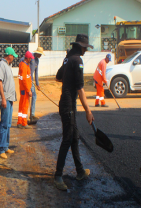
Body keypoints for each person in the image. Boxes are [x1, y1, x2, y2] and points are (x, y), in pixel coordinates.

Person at [54, 34, 94, 191]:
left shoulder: (68, 59)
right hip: (68, 105)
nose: (86, 50)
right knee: (67, 139)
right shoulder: (77, 61)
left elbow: (58, 77)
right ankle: (58, 176)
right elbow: (81, 89)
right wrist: (88, 111)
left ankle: (80, 171)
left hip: (67, 104)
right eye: (85, 48)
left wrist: (67, 80)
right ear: (81, 47)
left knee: (75, 137)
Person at [0, 47, 18, 159]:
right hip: (5, 99)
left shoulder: (8, 66)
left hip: (10, 98)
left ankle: (5, 146)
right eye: (13, 55)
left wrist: (11, 99)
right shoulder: (1, 65)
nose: (14, 57)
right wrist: (3, 98)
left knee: (8, 124)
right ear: (8, 55)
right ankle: (1, 149)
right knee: (4, 124)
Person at [17, 51, 34, 129]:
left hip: (22, 88)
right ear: (28, 58)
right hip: (25, 89)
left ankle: (19, 121)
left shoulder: (22, 64)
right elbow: (24, 80)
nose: (31, 59)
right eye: (30, 58)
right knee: (24, 105)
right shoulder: (24, 66)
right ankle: (24, 122)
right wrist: (28, 90)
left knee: (21, 105)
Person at [29, 47, 44, 120]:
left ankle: (32, 114)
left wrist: (37, 84)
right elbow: (22, 61)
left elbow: (36, 73)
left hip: (31, 81)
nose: (40, 56)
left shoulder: (37, 60)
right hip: (27, 80)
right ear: (37, 53)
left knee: (34, 96)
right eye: (40, 54)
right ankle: (27, 115)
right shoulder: (30, 57)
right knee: (29, 96)